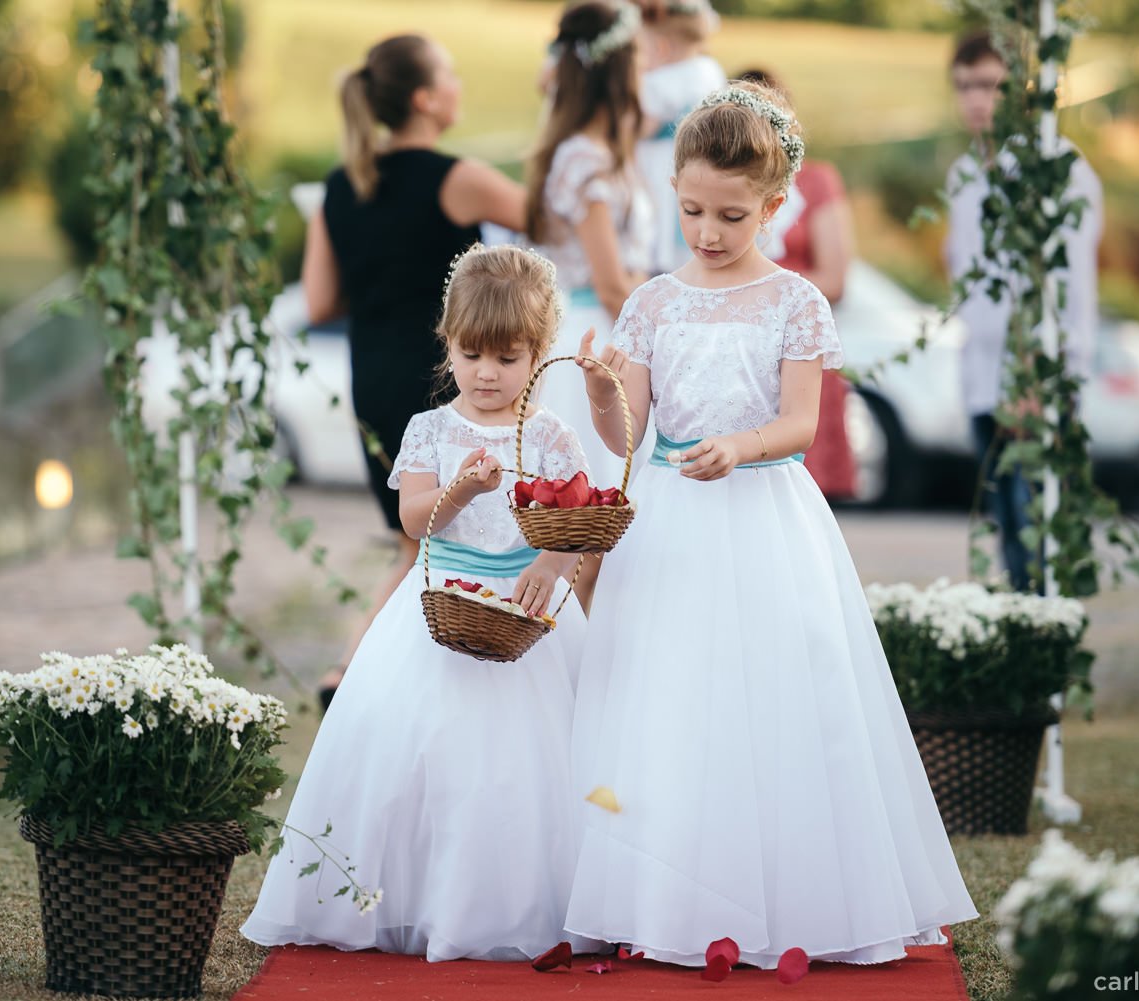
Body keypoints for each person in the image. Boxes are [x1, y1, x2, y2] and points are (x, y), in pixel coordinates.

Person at [566, 81, 977, 968]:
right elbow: (626, 435)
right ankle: (665, 892)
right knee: (671, 693)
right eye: (692, 212)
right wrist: (601, 392)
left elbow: (800, 422)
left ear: (774, 205)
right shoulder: (652, 302)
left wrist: (739, 445)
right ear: (673, 190)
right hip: (672, 519)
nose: (709, 232)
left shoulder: (795, 300)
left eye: (731, 215)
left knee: (773, 693)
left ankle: (793, 891)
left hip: (764, 514)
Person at [242, 245, 591, 961]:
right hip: (440, 607)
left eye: (508, 358)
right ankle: (409, 897)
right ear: (447, 342)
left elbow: (578, 523)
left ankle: (507, 906)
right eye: (471, 354)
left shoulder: (552, 436)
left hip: (527, 613)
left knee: (520, 769)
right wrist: (461, 490)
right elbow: (413, 521)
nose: (487, 373)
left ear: (538, 353)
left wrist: (551, 563)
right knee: (421, 752)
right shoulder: (429, 430)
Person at [307, 35, 527, 705]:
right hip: (444, 376)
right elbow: (549, 222)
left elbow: (318, 301)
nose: (459, 87)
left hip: (371, 377)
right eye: (450, 76)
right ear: (427, 99)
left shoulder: (340, 186)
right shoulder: (457, 178)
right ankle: (358, 675)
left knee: (417, 538)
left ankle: (354, 674)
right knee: (432, 537)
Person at [945, 29, 1102, 591]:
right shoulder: (964, 176)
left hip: (1038, 377)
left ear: (1022, 90)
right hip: (982, 376)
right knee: (1008, 535)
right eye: (965, 86)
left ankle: (1046, 640)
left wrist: (1047, 374)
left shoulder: (1057, 169)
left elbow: (1071, 285)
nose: (976, 99)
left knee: (1040, 539)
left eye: (990, 85)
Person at [526, 0, 653, 494]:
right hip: (597, 333)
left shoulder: (602, 151)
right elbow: (610, 283)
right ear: (619, 69)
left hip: (610, 327)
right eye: (638, 55)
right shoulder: (583, 158)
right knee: (597, 491)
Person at [739, 66, 857, 500]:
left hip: (794, 340)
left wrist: (765, 294)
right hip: (739, 343)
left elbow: (835, 279)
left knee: (804, 488)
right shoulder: (722, 188)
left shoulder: (816, 182)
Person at [634, 0, 727, 274]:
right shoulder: (709, 69)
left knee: (658, 215)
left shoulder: (659, 82)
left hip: (659, 162)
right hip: (698, 157)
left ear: (661, 48)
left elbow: (641, 128)